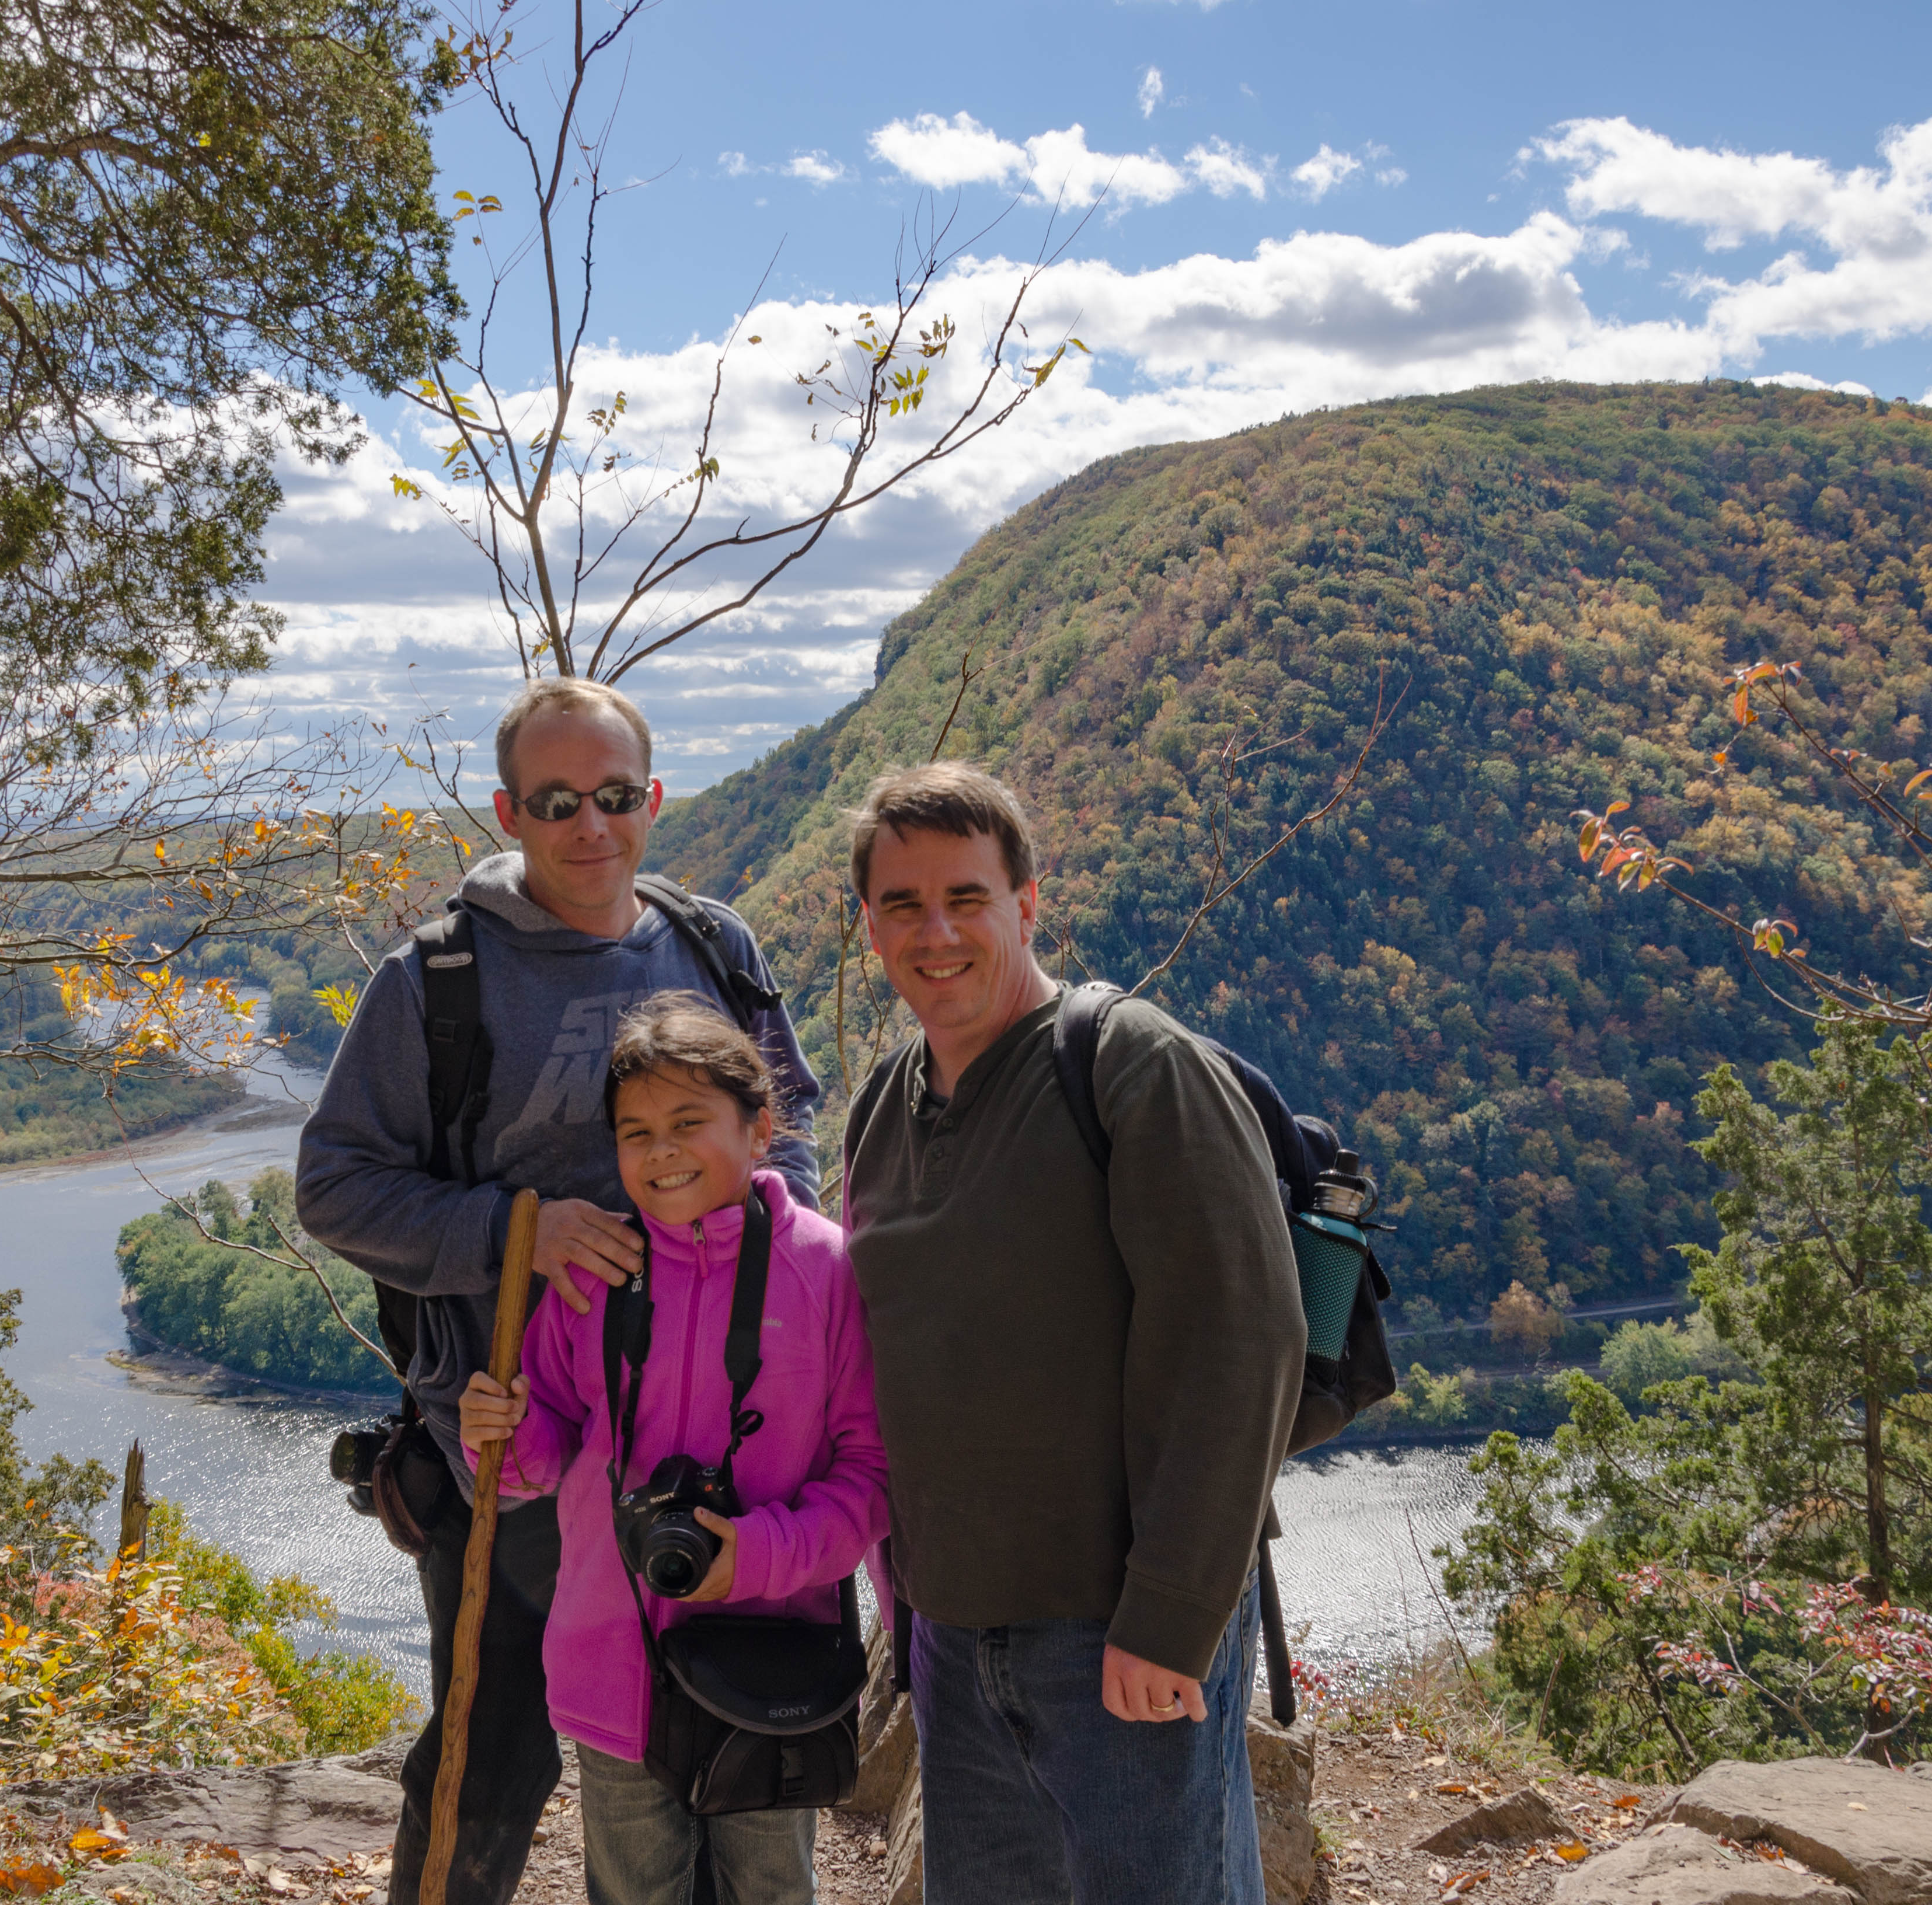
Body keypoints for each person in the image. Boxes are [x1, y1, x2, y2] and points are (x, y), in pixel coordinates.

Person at [297, 678, 821, 1905]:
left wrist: (773, 1267)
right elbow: (334, 1188)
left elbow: (788, 1128)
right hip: (517, 1446)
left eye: (616, 796)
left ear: (653, 798)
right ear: (508, 812)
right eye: (556, 801)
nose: (592, 826)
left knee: (727, 1739)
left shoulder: (713, 947)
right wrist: (517, 1233)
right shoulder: (437, 982)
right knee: (491, 1763)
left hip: (717, 1433)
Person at [838, 762, 1305, 1905]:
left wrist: (1172, 1621)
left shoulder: (1132, 1066)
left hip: (1116, 1633)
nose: (936, 932)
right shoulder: (884, 1105)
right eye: (903, 904)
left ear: (1027, 904)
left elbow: (1242, 1342)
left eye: (967, 897)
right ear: (870, 926)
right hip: (953, 1637)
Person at [459, 995, 887, 1905]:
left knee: (769, 1891)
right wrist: (502, 1428)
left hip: (769, 1663)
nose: (661, 1152)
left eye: (689, 1123)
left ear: (760, 1128)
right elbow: (541, 1459)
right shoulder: (596, 1271)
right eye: (636, 1133)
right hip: (613, 1660)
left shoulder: (828, 1272)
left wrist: (757, 1555)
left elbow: (870, 1478)